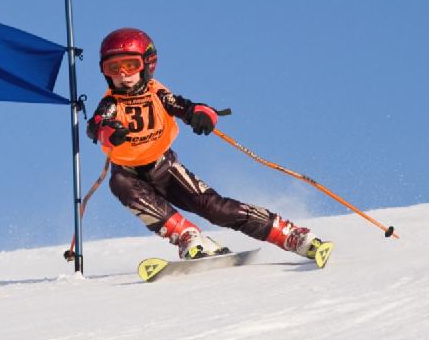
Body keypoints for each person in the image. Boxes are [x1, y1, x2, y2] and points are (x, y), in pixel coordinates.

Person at [86, 27, 327, 262]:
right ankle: (187, 237)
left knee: (214, 209)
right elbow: (97, 125)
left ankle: (290, 235)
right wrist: (109, 132)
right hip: (129, 174)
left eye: (130, 65)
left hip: (164, 167)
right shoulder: (110, 104)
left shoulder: (156, 94)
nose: (123, 74)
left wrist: (202, 114)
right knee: (119, 183)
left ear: (148, 64)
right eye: (113, 68)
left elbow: (185, 106)